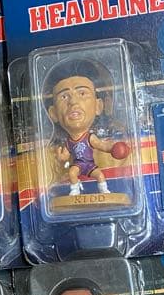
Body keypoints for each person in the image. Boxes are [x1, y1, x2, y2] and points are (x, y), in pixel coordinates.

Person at [44, 60, 128, 197]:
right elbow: (65, 156)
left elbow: (101, 146)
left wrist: (112, 148)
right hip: (77, 165)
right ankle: (75, 190)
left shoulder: (90, 138)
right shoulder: (68, 141)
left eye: (82, 93)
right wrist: (61, 157)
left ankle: (104, 190)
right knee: (72, 173)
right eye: (64, 96)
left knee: (99, 175)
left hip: (89, 164)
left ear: (98, 106)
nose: (73, 102)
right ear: (53, 113)